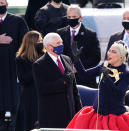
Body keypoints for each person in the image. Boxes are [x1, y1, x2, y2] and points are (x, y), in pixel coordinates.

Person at [67, 40, 129, 131]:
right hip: (97, 113)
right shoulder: (105, 65)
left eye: (113, 52)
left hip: (114, 116)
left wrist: (107, 78)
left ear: (121, 57)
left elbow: (119, 94)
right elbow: (84, 75)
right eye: (109, 50)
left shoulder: (127, 73)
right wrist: (77, 60)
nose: (109, 53)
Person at [32, 32, 82, 128]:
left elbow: (74, 89)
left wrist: (79, 111)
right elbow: (42, 89)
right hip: (52, 116)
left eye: (61, 42)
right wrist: (62, 81)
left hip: (71, 115)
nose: (61, 45)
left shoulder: (67, 59)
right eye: (57, 43)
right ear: (48, 46)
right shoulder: (39, 64)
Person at [0, 0, 28, 130]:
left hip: (13, 68)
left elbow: (26, 43)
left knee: (13, 100)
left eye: (1, 2)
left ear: (7, 4)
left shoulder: (18, 21)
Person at [57, 5, 101, 88]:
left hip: (85, 80)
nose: (71, 19)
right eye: (69, 17)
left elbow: (96, 57)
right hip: (65, 78)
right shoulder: (60, 33)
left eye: (74, 17)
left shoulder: (90, 34)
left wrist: (78, 68)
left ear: (81, 18)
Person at [15, 31, 45, 131]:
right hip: (30, 97)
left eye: (42, 40)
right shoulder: (21, 59)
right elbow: (24, 79)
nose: (42, 43)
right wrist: (36, 66)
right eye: (39, 41)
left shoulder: (45, 56)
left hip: (44, 94)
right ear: (32, 43)